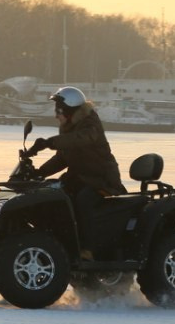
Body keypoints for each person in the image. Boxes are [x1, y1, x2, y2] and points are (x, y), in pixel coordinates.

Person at [25, 86, 127, 257]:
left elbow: (80, 140)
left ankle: (87, 249)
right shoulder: (68, 127)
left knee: (83, 201)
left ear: (69, 110)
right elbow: (62, 158)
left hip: (101, 179)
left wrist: (49, 143)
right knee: (51, 193)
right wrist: (39, 172)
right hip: (80, 177)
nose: (55, 115)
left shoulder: (90, 123)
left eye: (58, 110)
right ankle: (60, 241)